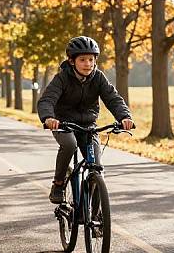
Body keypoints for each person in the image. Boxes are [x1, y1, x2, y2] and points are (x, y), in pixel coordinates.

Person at [37, 36, 134, 203]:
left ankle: (91, 212)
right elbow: (47, 100)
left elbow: (113, 98)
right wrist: (48, 118)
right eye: (82, 60)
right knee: (69, 145)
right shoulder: (62, 78)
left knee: (96, 166)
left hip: (88, 125)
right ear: (72, 61)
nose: (88, 64)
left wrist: (124, 116)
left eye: (91, 59)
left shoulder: (98, 77)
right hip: (63, 123)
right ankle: (58, 183)